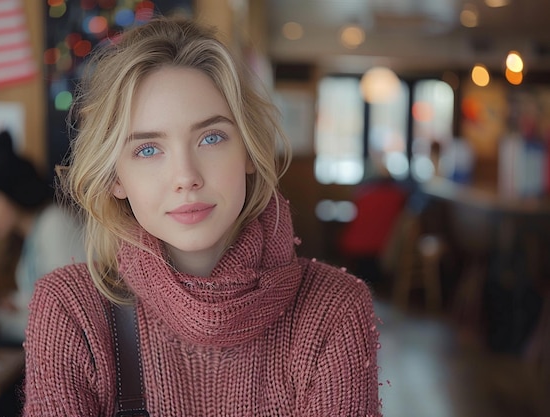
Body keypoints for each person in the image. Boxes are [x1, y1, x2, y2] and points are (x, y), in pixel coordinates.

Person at [22, 17, 381, 416]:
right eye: (147, 149)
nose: (186, 177)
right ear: (114, 178)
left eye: (211, 138)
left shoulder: (334, 309)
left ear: (248, 151)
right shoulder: (71, 311)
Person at [0, 129, 86, 347]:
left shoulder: (54, 224)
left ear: (14, 191)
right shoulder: (32, 235)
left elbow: (69, 311)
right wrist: (17, 303)